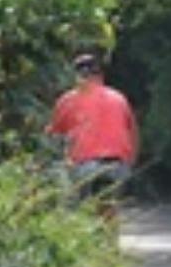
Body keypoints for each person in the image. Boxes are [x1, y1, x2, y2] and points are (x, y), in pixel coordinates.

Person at [46, 51, 139, 217]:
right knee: (110, 205)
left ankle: (86, 236)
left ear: (76, 76)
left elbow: (53, 135)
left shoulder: (68, 100)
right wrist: (130, 162)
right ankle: (109, 236)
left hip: (86, 165)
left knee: (79, 206)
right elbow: (133, 133)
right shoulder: (119, 98)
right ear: (101, 75)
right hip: (118, 165)